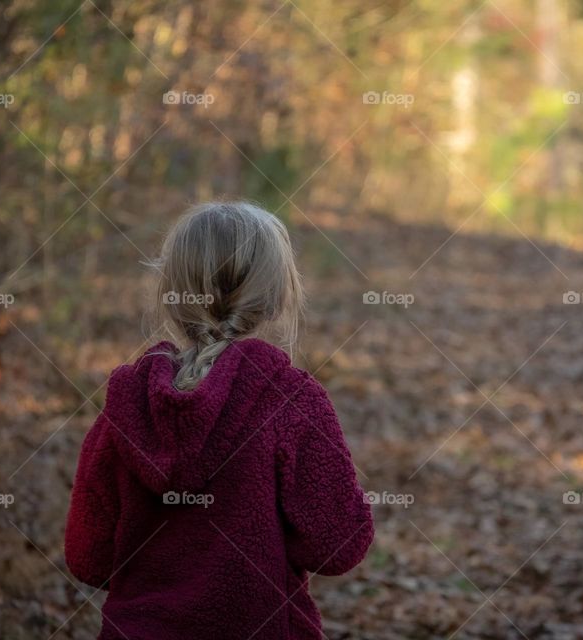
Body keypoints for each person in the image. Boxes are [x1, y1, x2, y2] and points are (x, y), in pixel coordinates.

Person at [64, 201, 373, 639]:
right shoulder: (291, 401)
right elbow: (337, 546)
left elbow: (87, 558)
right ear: (274, 298)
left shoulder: (126, 407)